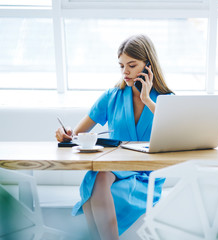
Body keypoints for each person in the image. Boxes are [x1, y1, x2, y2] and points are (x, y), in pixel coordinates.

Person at [55, 34, 173, 240]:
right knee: (98, 176)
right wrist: (66, 135)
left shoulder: (165, 100)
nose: (125, 72)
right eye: (121, 66)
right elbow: (77, 133)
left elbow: (174, 131)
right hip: (112, 169)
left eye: (132, 65)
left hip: (147, 176)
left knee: (94, 190)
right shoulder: (112, 96)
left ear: (148, 66)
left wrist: (146, 99)